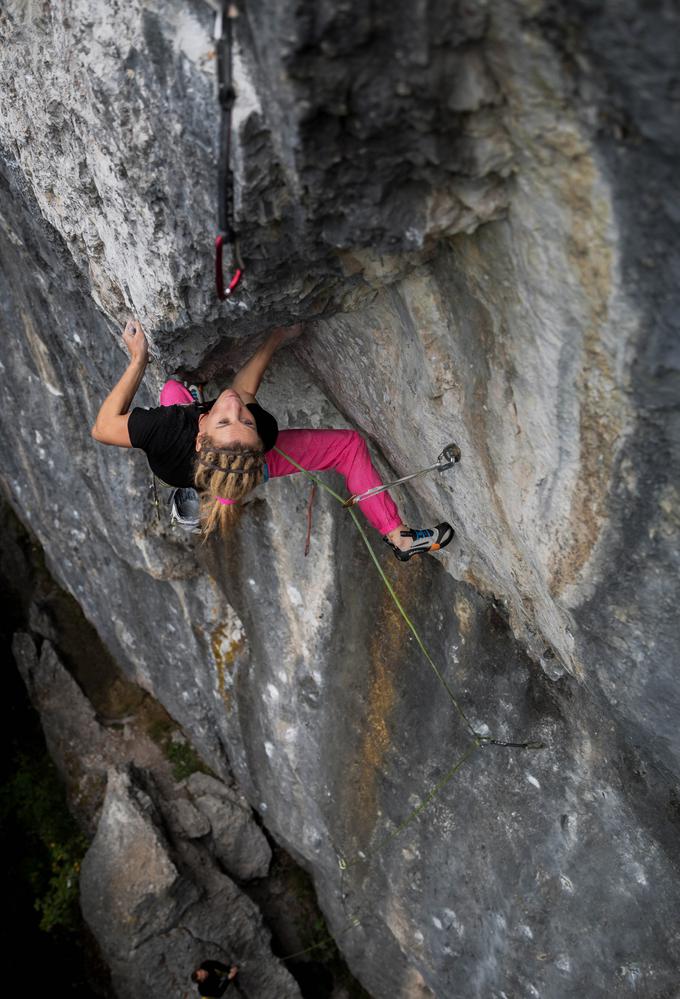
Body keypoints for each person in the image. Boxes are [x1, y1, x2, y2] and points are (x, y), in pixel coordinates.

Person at [91, 319, 454, 559]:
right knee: (348, 446)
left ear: (201, 438)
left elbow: (103, 427)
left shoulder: (168, 430)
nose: (232, 404)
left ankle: (218, 494)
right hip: (248, 466)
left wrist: (139, 358)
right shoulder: (259, 437)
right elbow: (242, 389)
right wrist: (276, 337)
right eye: (242, 420)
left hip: (218, 464)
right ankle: (398, 535)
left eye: (228, 419)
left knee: (172, 387)